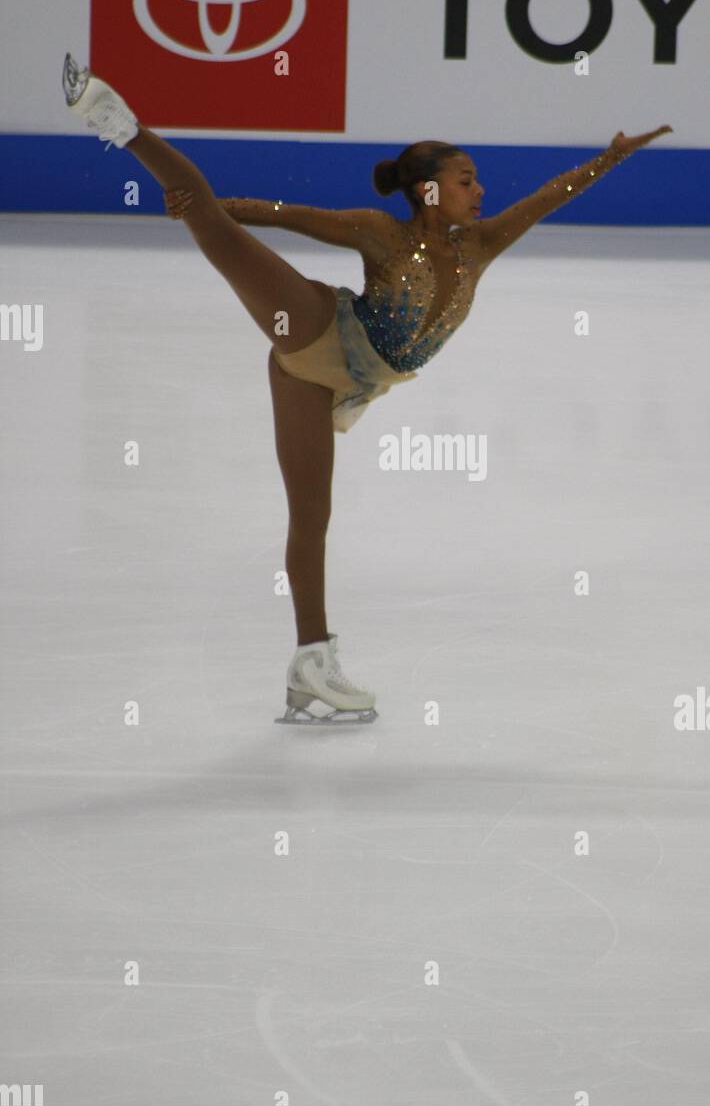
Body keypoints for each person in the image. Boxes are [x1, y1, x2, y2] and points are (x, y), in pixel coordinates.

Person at [61, 52, 670, 723]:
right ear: (428, 190)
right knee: (213, 229)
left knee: (311, 517)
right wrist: (216, 209)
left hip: (337, 385)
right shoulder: (383, 234)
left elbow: (549, 198)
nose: (481, 191)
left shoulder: (482, 245)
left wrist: (611, 158)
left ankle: (309, 663)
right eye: (467, 180)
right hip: (315, 331)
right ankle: (117, 121)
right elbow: (287, 213)